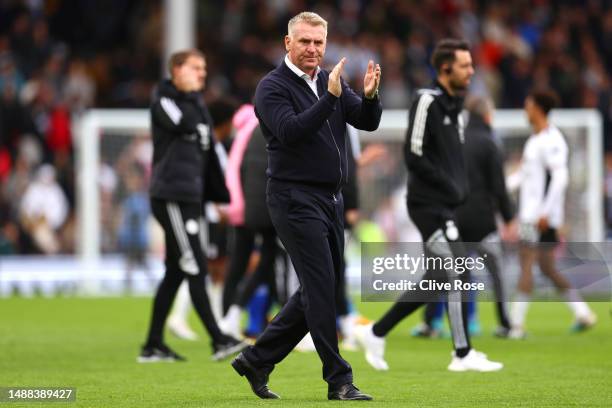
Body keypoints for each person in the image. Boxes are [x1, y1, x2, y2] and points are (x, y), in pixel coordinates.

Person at [231, 11, 382, 400]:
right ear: (288, 43)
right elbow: (291, 132)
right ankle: (339, 379)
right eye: (305, 42)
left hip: (329, 197)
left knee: (321, 289)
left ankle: (256, 360)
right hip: (293, 198)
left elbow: (366, 122)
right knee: (319, 288)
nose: (313, 49)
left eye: (318, 42)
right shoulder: (272, 87)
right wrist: (331, 96)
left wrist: (368, 95)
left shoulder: (328, 79)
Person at [355, 39, 503, 372]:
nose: (471, 70)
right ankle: (462, 354)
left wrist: (457, 191)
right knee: (457, 270)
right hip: (426, 205)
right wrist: (450, 186)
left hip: (446, 206)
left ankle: (376, 332)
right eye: (465, 65)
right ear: (445, 68)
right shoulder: (426, 100)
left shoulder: (455, 107)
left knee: (436, 277)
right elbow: (414, 152)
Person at [139, 49, 246, 363]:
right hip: (171, 195)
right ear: (176, 70)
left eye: (204, 68)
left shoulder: (197, 103)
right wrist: (199, 125)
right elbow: (185, 125)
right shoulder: (164, 98)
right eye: (195, 68)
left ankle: (153, 345)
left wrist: (219, 194)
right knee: (196, 265)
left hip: (191, 197)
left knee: (176, 271)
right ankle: (219, 339)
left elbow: (207, 150)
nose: (201, 74)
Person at [412, 96, 517, 338]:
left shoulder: (453, 141)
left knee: (444, 271)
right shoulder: (490, 144)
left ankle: (430, 324)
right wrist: (509, 218)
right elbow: (498, 187)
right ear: (488, 116)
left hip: (452, 218)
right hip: (482, 222)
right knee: (496, 272)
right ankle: (504, 323)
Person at [506, 89, 597, 338]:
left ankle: (515, 324)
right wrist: (500, 188)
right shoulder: (535, 140)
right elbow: (524, 176)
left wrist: (545, 212)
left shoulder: (552, 140)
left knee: (526, 260)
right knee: (546, 267)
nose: (525, 109)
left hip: (539, 216)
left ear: (537, 108)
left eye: (527, 104)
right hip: (534, 214)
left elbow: (560, 178)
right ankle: (582, 313)